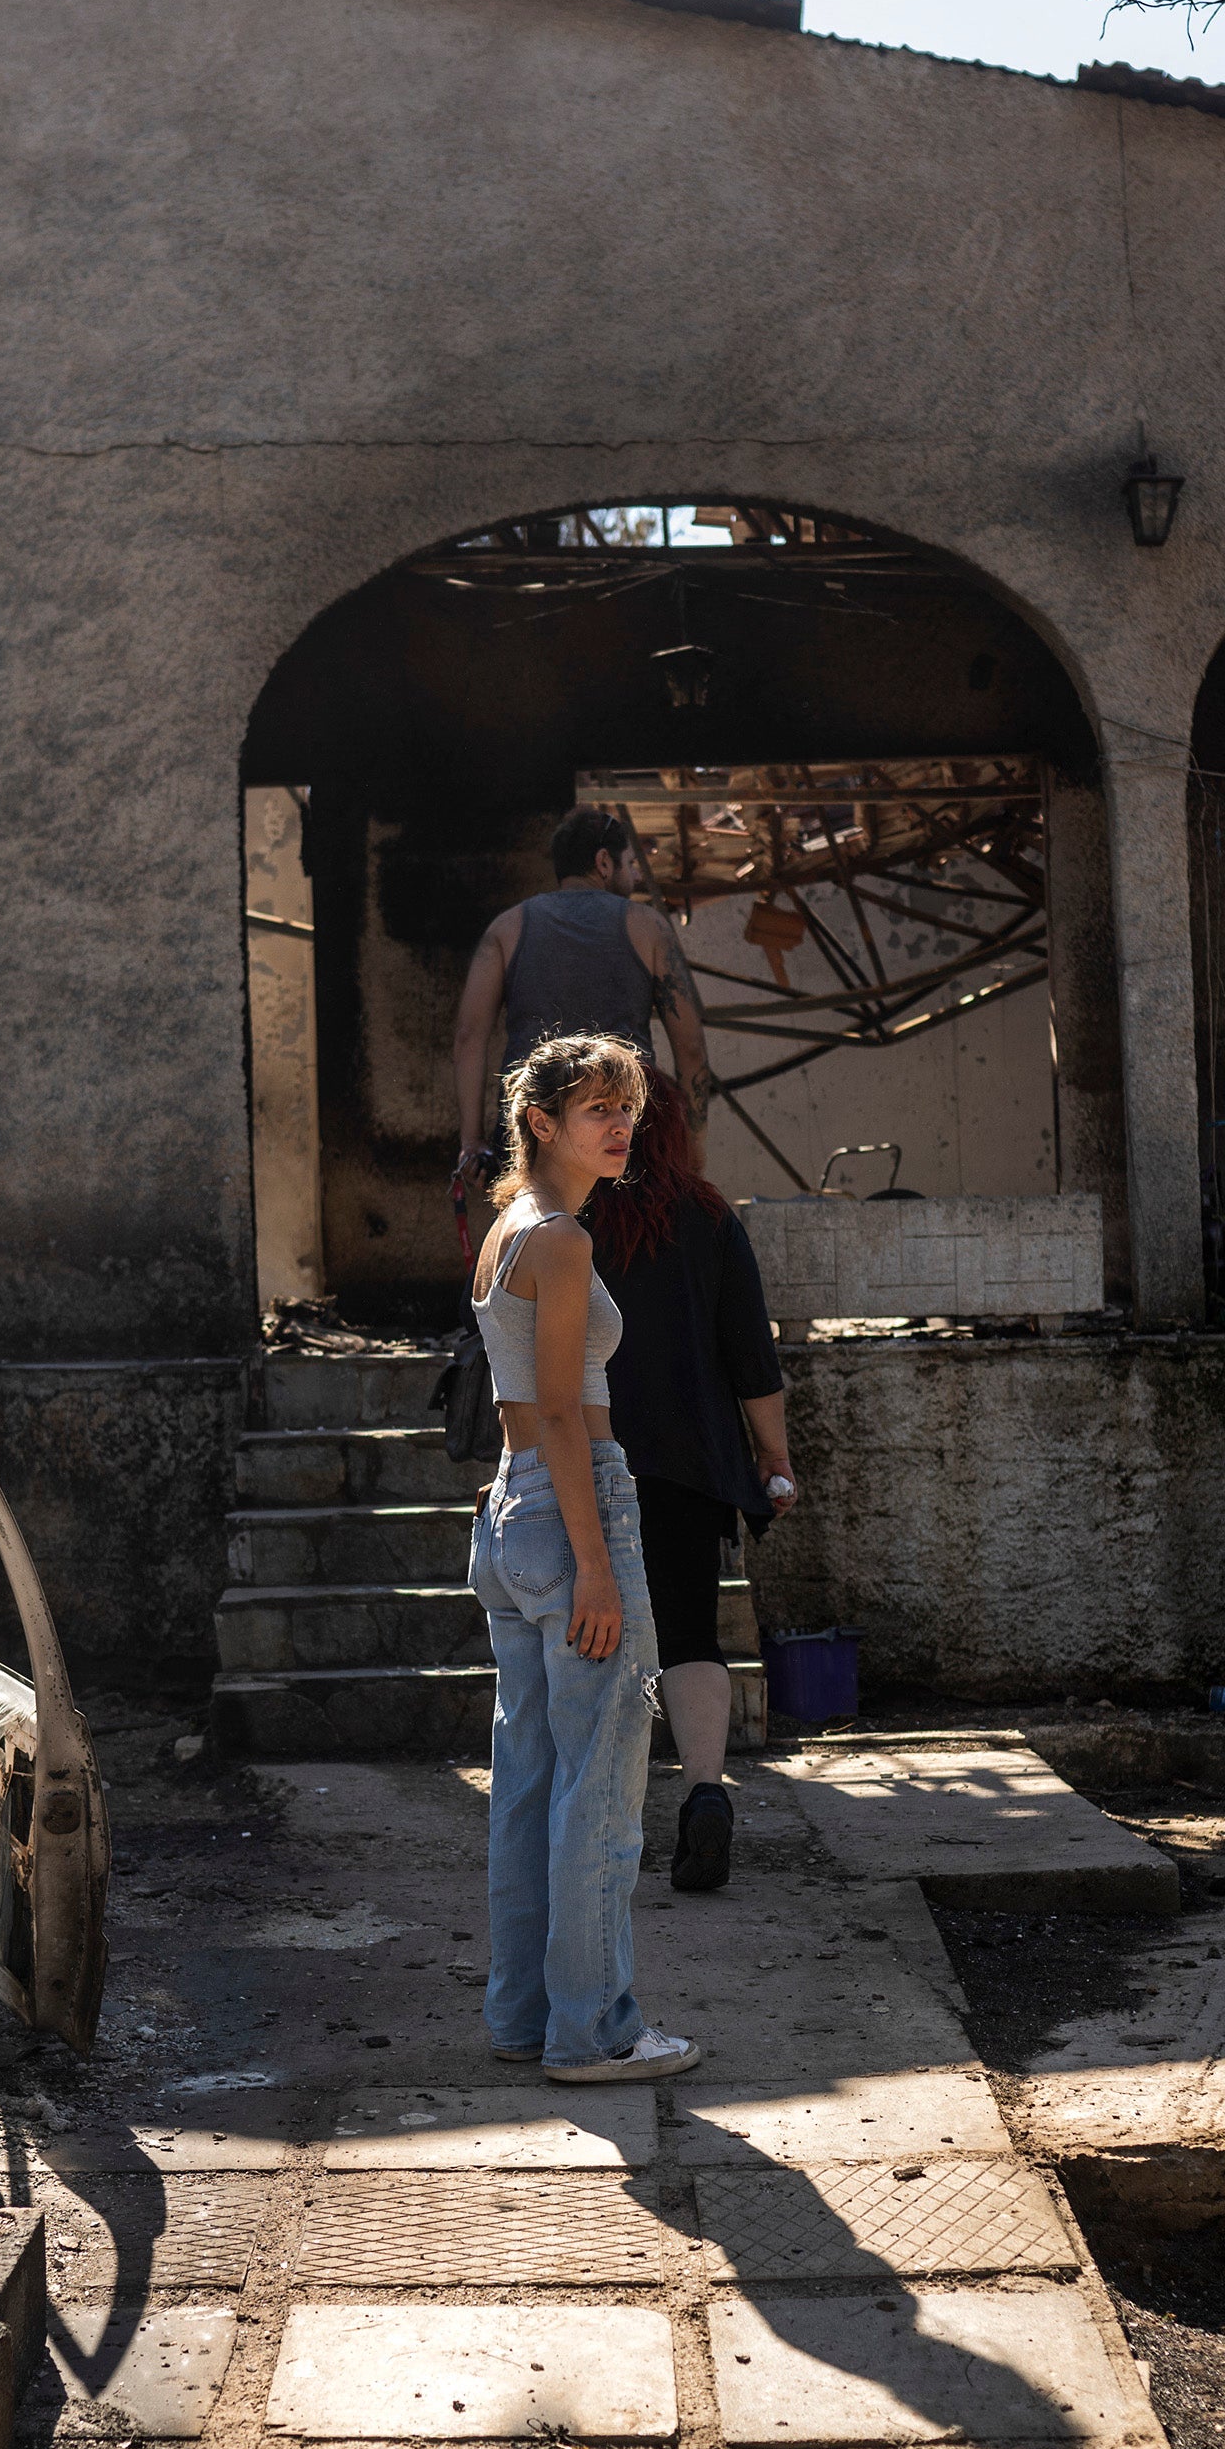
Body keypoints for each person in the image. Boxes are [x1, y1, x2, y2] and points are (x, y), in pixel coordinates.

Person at [467, 1032, 703, 2087]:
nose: (620, 1125)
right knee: (599, 1794)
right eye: (597, 1107)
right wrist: (598, 1563)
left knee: (528, 1783)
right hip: (570, 1508)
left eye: (628, 1108)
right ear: (541, 1122)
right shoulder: (558, 1239)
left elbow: (521, 1402)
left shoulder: (505, 1230)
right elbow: (562, 1407)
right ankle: (594, 2034)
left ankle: (523, 2019)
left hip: (513, 1510)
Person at [585, 1070, 794, 1895]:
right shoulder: (710, 1218)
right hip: (689, 1463)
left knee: (596, 1637)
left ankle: (603, 1823)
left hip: (591, 1456)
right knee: (691, 1631)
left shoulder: (569, 1218)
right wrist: (772, 1456)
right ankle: (706, 1791)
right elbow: (754, 1360)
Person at [446, 808, 718, 1228]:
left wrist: (472, 1142)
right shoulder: (648, 927)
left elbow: (468, 1037)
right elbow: (691, 1047)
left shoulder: (507, 928)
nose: (633, 876)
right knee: (630, 1258)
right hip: (626, 1133)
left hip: (540, 1127)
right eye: (629, 864)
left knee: (540, 1248)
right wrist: (692, 1149)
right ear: (603, 863)